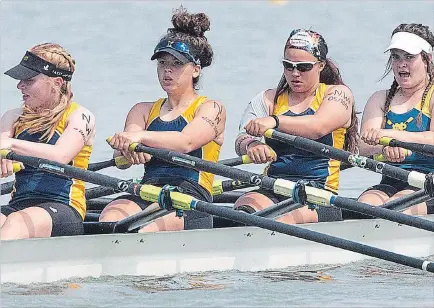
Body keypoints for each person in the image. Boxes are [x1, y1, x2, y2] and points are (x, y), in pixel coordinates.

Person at [99, 8, 226, 232]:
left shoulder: (212, 108)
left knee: (146, 226)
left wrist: (139, 137)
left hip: (192, 199)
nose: (167, 70)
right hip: (148, 190)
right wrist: (129, 149)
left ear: (196, 69)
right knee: (110, 218)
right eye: (162, 63)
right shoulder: (142, 110)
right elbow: (123, 160)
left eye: (177, 64)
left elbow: (186, 142)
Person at [234, 28, 358, 224]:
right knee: (243, 209)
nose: (295, 73)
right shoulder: (267, 98)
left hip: (318, 194)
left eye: (303, 67)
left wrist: (274, 121)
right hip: (273, 186)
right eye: (288, 66)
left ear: (321, 65)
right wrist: (252, 145)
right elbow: (242, 136)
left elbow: (318, 127)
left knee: (280, 218)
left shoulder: (338, 94)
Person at [0, 43, 96, 240]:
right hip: (19, 204)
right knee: (16, 219)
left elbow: (61, 155)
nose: (20, 86)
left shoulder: (80, 116)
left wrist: (11, 145)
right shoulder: (13, 116)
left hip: (63, 209)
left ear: (57, 82)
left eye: (29, 80)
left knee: (17, 222)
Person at [358, 23, 434, 216]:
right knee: (365, 207)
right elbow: (362, 146)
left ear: (428, 60)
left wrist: (393, 137)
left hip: (428, 183)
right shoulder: (380, 99)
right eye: (396, 57)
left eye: (409, 57)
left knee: (398, 207)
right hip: (391, 181)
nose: (402, 64)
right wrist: (385, 147)